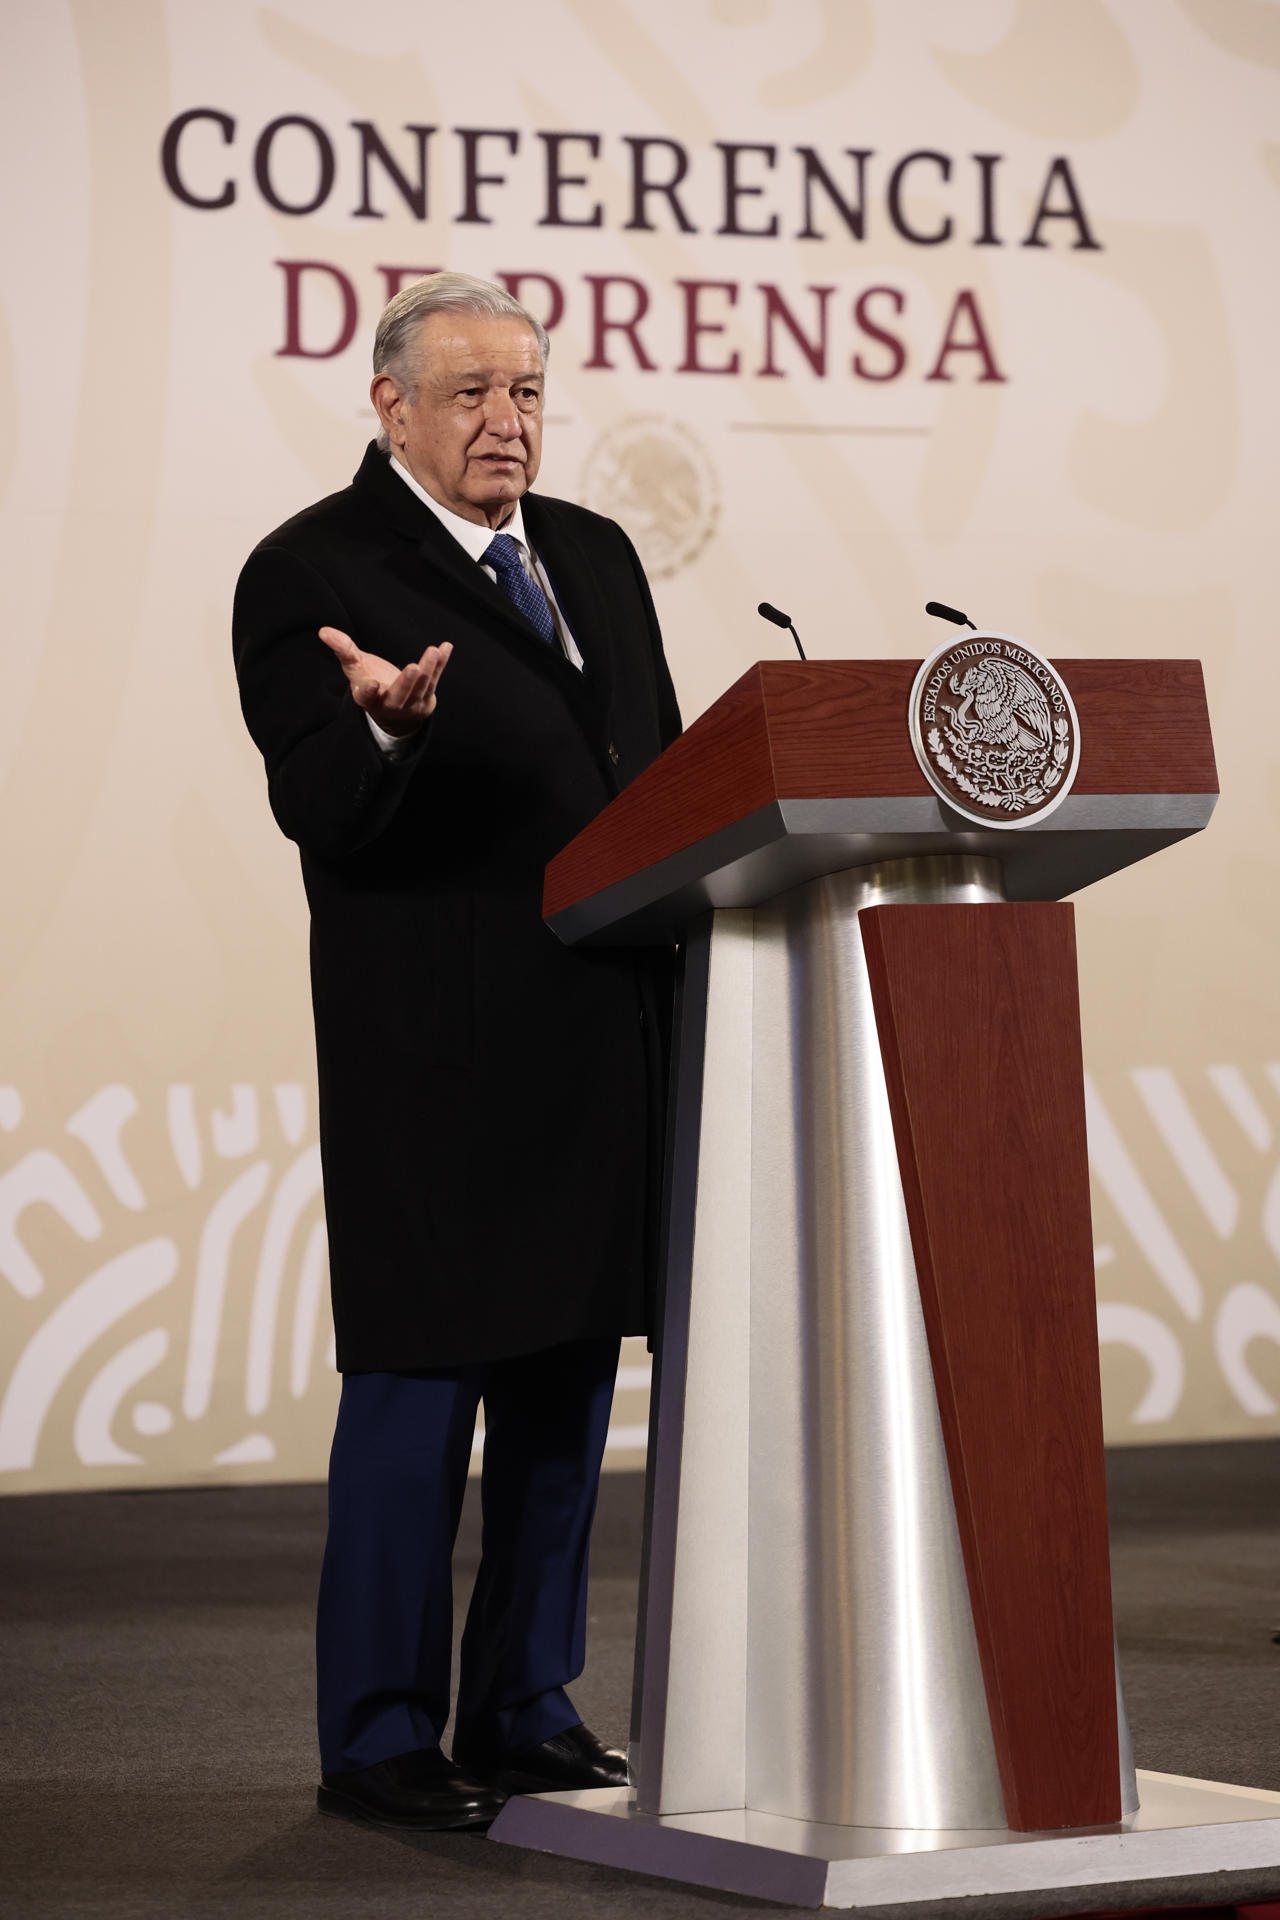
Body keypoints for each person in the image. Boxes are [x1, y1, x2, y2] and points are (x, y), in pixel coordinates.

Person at [232, 272, 682, 1833]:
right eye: (475, 394)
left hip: (594, 1045)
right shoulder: (312, 569)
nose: (510, 421)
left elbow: (660, 785)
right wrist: (388, 732)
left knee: (563, 1403)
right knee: (418, 1406)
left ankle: (525, 1707)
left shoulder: (601, 558)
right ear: (392, 407)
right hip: (434, 1062)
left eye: (531, 391)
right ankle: (376, 1737)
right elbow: (323, 805)